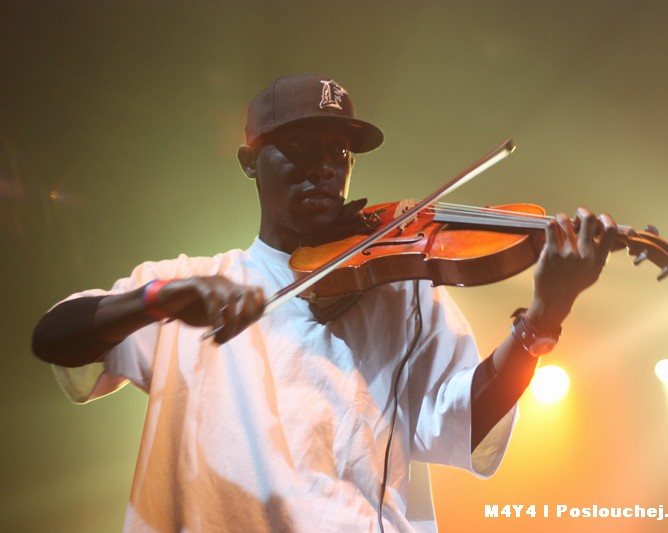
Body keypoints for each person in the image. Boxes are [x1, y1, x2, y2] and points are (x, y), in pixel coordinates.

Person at [32, 73, 617, 532]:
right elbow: (54, 337)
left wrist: (544, 319)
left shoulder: (403, 291)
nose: (322, 168)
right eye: (295, 146)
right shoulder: (191, 280)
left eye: (337, 151)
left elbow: (464, 425)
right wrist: (157, 300)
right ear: (249, 163)